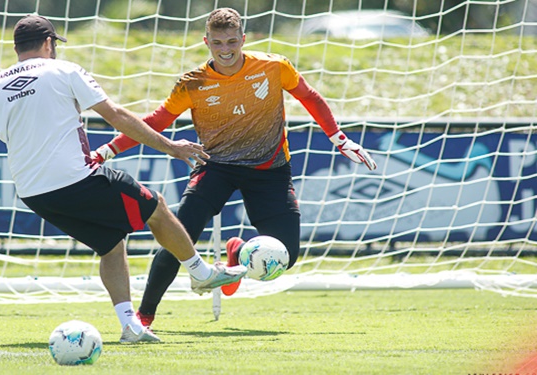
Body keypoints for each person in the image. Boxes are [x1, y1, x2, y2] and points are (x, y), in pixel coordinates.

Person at [0, 14, 247, 344]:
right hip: (77, 179)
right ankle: (201, 274)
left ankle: (130, 325)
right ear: (48, 43)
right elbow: (115, 116)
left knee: (111, 245)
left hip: (34, 194)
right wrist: (170, 146)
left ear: (16, 48)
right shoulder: (64, 70)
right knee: (155, 206)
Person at [91, 7, 377, 329]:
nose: (225, 51)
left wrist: (340, 139)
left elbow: (309, 96)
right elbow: (156, 122)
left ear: (243, 39)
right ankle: (144, 318)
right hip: (216, 167)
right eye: (217, 44)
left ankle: (238, 255)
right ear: (206, 42)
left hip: (270, 169)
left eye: (231, 42)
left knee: (287, 255)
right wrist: (108, 149)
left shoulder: (273, 66)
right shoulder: (193, 82)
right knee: (177, 239)